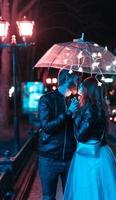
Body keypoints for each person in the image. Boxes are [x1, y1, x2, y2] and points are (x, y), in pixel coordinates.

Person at [63, 77, 116, 200]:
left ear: (89, 90)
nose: (80, 90)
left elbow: (81, 136)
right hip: (103, 152)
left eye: (83, 87)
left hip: (88, 156)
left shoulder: (90, 110)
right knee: (104, 189)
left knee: (89, 188)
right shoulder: (101, 108)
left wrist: (74, 115)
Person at [38, 69, 79, 200]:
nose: (78, 83)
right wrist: (68, 113)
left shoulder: (73, 102)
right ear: (67, 80)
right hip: (49, 159)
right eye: (76, 79)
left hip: (69, 158)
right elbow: (47, 127)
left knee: (70, 196)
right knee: (49, 197)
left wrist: (77, 114)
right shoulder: (46, 99)